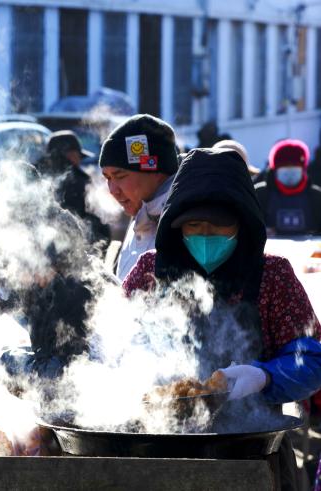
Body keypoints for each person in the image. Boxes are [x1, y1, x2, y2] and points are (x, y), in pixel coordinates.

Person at [123, 148, 321, 490]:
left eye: (218, 225)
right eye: (194, 225)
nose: (205, 234)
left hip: (254, 453)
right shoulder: (149, 272)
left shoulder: (273, 275)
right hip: (158, 450)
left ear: (242, 222)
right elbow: (113, 342)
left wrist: (263, 376)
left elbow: (313, 361)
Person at [99, 114, 180, 280]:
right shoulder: (141, 213)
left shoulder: (185, 223)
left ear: (155, 170)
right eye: (107, 178)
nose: (113, 190)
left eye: (120, 176)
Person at [36, 131, 109, 242]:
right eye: (77, 155)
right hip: (75, 243)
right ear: (69, 155)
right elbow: (95, 218)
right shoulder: (79, 181)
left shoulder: (37, 175)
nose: (79, 159)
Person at [255, 139, 321, 236]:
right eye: (284, 166)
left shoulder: (316, 196)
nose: (290, 171)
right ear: (275, 169)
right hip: (271, 250)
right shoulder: (260, 194)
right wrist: (260, 232)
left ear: (303, 168)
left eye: (294, 165)